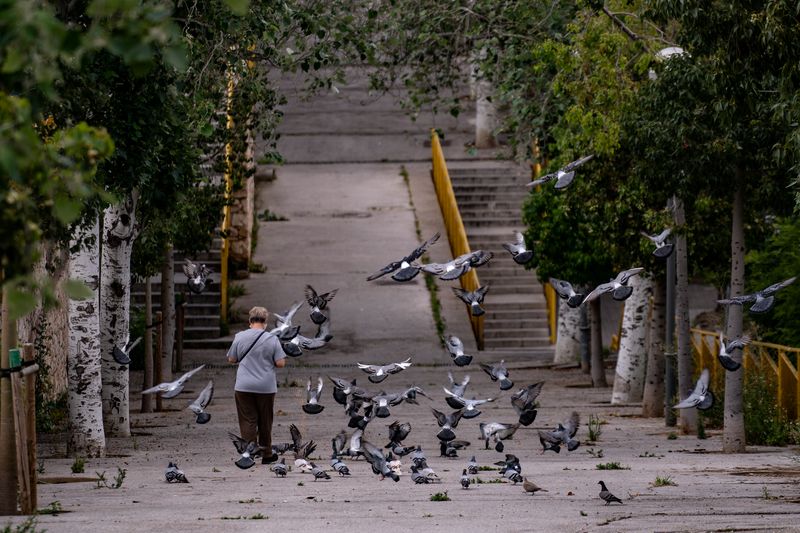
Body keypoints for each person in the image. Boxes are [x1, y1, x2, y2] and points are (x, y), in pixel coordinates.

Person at [227, 306, 286, 464]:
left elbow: (232, 359)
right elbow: (280, 363)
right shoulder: (272, 339)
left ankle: (249, 454)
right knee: (265, 420)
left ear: (250, 321)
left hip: (243, 386)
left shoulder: (240, 337)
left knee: (248, 420)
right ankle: (267, 454)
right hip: (266, 387)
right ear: (265, 322)